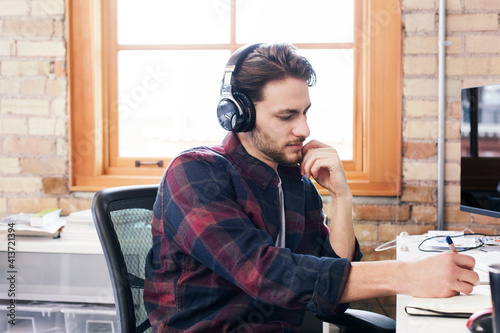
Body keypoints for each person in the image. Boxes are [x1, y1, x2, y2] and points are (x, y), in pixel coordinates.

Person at [143, 43, 478, 332]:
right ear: (238, 115)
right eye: (287, 116)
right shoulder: (195, 173)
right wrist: (405, 275)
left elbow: (328, 303)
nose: (303, 128)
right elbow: (265, 274)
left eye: (305, 112)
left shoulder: (296, 183)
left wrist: (342, 197)